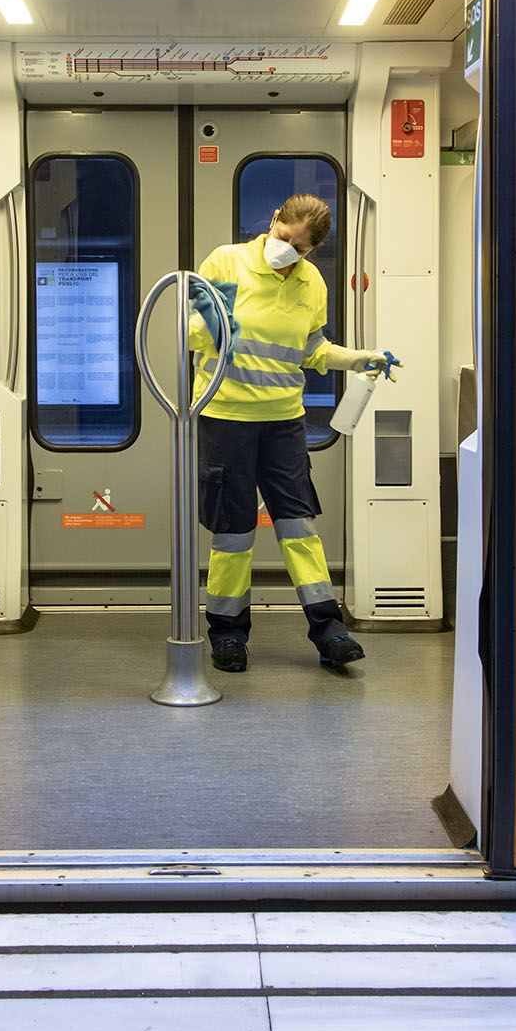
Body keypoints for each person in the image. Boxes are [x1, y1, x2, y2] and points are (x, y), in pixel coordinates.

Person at [187, 192, 398, 672]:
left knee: (299, 528)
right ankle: (228, 634)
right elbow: (190, 331)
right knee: (234, 532)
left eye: (300, 248)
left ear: (312, 251)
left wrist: (359, 357)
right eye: (285, 237)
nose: (288, 250)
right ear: (274, 219)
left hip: (284, 422)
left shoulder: (312, 283)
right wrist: (222, 329)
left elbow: (313, 350)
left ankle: (328, 630)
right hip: (227, 418)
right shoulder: (227, 261)